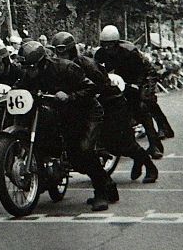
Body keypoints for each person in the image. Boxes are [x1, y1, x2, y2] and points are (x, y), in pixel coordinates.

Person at [16, 40, 117, 210]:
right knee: (66, 153)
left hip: (87, 113)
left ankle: (101, 192)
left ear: (41, 62)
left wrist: (70, 96)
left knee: (84, 151)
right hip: (63, 115)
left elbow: (91, 88)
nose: (28, 71)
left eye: (31, 67)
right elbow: (19, 87)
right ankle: (47, 177)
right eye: (25, 67)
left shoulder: (65, 68)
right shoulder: (28, 74)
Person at [50, 31, 157, 184]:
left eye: (63, 52)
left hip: (111, 104)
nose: (60, 56)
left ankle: (149, 166)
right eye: (57, 52)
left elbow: (102, 86)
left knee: (122, 144)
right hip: (85, 106)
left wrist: (76, 96)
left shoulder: (87, 65)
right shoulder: (57, 68)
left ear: (71, 50)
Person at [94, 25, 164, 159]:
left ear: (116, 43)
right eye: (104, 44)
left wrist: (137, 85)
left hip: (140, 77)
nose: (107, 48)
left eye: (110, 44)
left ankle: (154, 144)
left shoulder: (130, 51)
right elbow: (97, 71)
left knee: (142, 107)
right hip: (119, 80)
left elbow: (142, 71)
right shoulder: (100, 54)